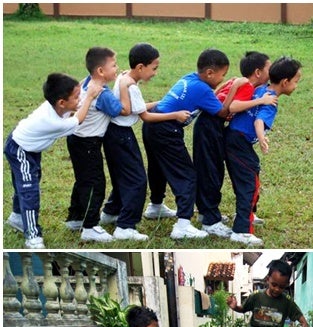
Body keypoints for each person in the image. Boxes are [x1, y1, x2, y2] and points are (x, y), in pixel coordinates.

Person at [141, 48, 243, 240]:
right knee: (187, 176)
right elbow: (222, 112)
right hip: (166, 130)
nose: (223, 79)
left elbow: (209, 95)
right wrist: (234, 88)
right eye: (223, 75)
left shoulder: (191, 78)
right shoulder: (202, 89)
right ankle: (183, 225)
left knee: (158, 168)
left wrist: (222, 87)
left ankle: (155, 206)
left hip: (152, 126)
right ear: (210, 73)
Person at [99, 43, 191, 242]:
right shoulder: (131, 86)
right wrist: (174, 114)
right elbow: (146, 117)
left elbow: (136, 108)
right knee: (137, 180)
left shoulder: (125, 78)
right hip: (122, 135)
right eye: (154, 67)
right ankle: (125, 226)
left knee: (123, 176)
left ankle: (111, 212)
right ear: (140, 67)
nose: (155, 73)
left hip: (113, 135)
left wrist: (161, 102)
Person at [4, 73, 101, 249]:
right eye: (76, 97)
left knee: (28, 181)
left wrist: (90, 78)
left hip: (29, 146)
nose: (79, 99)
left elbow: (76, 90)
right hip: (21, 150)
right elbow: (78, 119)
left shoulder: (56, 105)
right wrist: (90, 96)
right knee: (29, 190)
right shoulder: (51, 121)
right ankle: (32, 236)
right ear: (62, 103)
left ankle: (17, 217)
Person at [195, 51, 278, 240]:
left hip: (212, 126)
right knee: (211, 173)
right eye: (268, 68)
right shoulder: (247, 86)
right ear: (258, 72)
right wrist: (261, 100)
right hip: (210, 126)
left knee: (213, 171)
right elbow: (232, 107)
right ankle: (210, 221)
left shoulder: (243, 83)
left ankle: (207, 213)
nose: (271, 72)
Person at [225, 56, 302, 246]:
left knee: (249, 175)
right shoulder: (272, 101)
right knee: (250, 182)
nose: (296, 86)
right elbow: (259, 121)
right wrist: (261, 138)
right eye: (296, 82)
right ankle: (241, 230)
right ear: (285, 82)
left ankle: (247, 214)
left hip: (232, 138)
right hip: (238, 141)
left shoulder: (261, 89)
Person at [64, 47, 123, 243]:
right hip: (88, 143)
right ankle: (90, 226)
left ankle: (75, 218)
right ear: (100, 71)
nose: (117, 69)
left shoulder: (87, 82)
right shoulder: (102, 93)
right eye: (114, 65)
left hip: (75, 139)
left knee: (82, 179)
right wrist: (124, 85)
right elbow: (119, 110)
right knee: (95, 183)